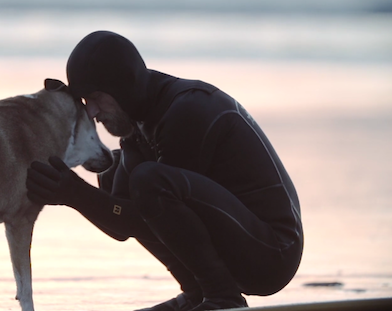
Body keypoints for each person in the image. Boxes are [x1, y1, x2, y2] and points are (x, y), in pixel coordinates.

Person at [26, 30, 303, 311]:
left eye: (97, 97)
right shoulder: (140, 124)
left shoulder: (187, 109)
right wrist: (70, 191)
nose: (93, 113)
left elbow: (149, 214)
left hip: (272, 253)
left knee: (150, 181)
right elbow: (122, 224)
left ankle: (222, 296)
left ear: (124, 85)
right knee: (113, 171)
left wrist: (75, 193)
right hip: (241, 244)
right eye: (86, 101)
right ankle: (198, 292)